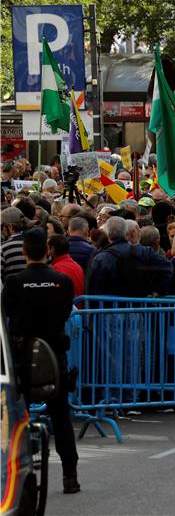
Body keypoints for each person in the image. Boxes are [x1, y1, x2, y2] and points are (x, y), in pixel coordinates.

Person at [2, 227, 81, 493]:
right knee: (60, 416)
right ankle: (70, 475)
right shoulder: (62, 281)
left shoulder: (14, 282)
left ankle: (17, 478)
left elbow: (8, 314)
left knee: (15, 416)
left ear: (24, 252)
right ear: (48, 252)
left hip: (22, 356)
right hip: (54, 353)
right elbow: (65, 310)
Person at [47, 234, 84, 300]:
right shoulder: (77, 266)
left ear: (52, 249)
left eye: (47, 248)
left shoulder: (56, 270)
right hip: (79, 308)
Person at [1, 206, 29, 281]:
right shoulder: (40, 243)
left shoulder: (3, 248)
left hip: (11, 291)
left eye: (1, 226)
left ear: (10, 227)